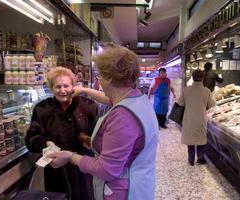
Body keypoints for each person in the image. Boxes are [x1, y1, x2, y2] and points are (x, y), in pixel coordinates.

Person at [47, 44, 159, 200]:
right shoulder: (137, 99)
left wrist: (71, 156)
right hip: (141, 182)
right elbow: (110, 99)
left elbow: (106, 170)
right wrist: (85, 90)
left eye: (99, 75)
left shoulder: (123, 116)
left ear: (110, 79)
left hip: (123, 192)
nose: (98, 79)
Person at [25, 67, 98, 200]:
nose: (63, 90)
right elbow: (31, 138)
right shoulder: (42, 109)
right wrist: (45, 143)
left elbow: (98, 136)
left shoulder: (88, 106)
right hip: (56, 170)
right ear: (51, 88)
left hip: (83, 166)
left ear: (73, 87)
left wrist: (88, 140)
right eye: (58, 86)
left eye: (66, 86)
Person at [178, 69, 216, 166]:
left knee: (190, 138)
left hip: (188, 117)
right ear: (202, 78)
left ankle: (191, 159)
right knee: (200, 137)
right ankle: (200, 157)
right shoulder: (206, 91)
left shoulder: (186, 90)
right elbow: (212, 104)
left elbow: (180, 102)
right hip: (201, 117)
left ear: (192, 77)